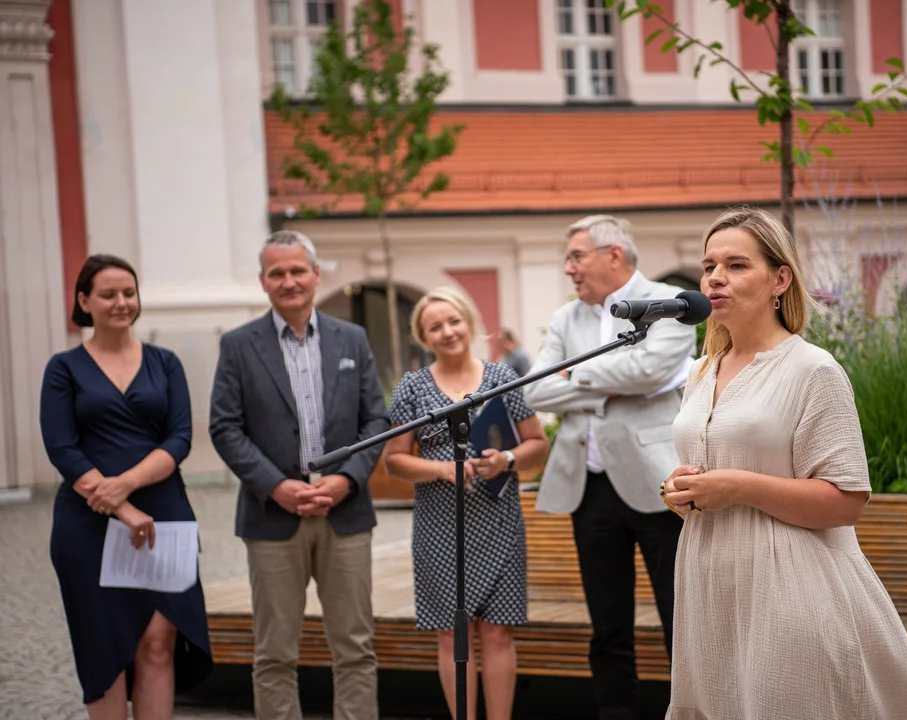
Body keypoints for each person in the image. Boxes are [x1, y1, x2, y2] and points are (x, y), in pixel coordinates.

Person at [660, 206, 907, 719]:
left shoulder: (814, 370)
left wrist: (739, 486)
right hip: (709, 586)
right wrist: (682, 490)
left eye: (737, 265)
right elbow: (712, 479)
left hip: (789, 586)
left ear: (780, 279)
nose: (715, 278)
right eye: (709, 266)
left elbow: (846, 501)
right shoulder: (700, 372)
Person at [208, 230, 390, 720]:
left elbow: (377, 418)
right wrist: (275, 486)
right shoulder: (238, 345)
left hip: (345, 513)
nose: (288, 281)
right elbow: (225, 428)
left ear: (315, 274)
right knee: (274, 652)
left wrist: (347, 479)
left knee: (355, 646)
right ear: (263, 281)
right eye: (277, 273)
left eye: (297, 270)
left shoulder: (351, 338)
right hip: (272, 517)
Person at [522, 215, 696, 720]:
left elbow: (649, 370)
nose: (568, 268)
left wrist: (576, 374)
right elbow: (535, 389)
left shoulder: (670, 302)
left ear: (613, 255)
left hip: (659, 479)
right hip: (590, 486)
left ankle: (689, 710)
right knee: (607, 622)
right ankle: (616, 711)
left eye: (576, 256)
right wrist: (608, 382)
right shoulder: (564, 318)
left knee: (678, 614)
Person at [40, 254, 214, 719]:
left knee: (159, 641)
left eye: (129, 293)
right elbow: (62, 447)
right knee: (106, 649)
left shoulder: (165, 362)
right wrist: (119, 506)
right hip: (86, 521)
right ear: (84, 301)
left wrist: (127, 487)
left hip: (163, 512)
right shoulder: (64, 368)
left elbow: (179, 438)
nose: (121, 302)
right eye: (108, 294)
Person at [382, 286, 549, 720]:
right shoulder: (413, 387)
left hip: (498, 521)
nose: (447, 331)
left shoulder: (503, 379)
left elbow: (537, 445)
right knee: (450, 636)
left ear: (469, 323)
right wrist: (441, 470)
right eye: (435, 326)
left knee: (497, 634)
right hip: (439, 526)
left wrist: (505, 460)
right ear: (424, 336)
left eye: (453, 321)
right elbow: (395, 460)